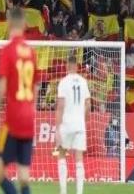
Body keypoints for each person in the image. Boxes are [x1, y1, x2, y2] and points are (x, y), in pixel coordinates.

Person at [0, 7, 38, 194]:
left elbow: (1, 88)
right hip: (28, 118)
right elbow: (35, 87)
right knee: (23, 176)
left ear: (8, 23)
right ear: (25, 24)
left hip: (13, 120)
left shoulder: (8, 51)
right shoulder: (31, 52)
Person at [55, 54, 91, 194]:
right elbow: (88, 105)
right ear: (76, 66)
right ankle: (79, 192)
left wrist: (57, 128)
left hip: (66, 123)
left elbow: (60, 106)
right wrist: (84, 120)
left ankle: (63, 191)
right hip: (79, 124)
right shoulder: (83, 82)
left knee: (62, 154)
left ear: (67, 66)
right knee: (79, 157)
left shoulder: (63, 82)